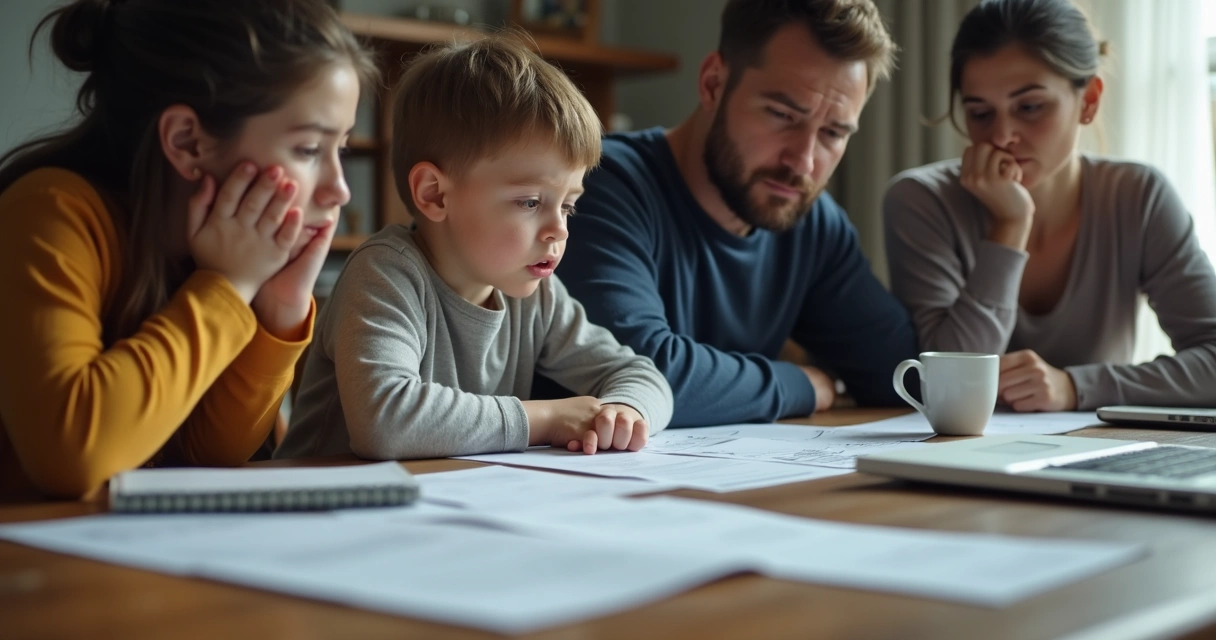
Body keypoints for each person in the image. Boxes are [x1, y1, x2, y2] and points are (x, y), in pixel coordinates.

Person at [0, 0, 376, 501]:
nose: (339, 189)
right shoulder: (49, 212)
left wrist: (277, 311)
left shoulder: (215, 248)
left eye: (342, 149)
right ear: (187, 142)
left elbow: (209, 456)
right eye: (309, 150)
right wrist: (226, 288)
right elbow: (75, 455)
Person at [275, 34, 674, 461]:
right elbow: (385, 423)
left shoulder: (536, 296)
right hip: (314, 509)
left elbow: (641, 375)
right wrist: (546, 418)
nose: (559, 229)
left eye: (569, 206)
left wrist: (625, 411)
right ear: (435, 195)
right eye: (530, 202)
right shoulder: (385, 273)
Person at [540, 0, 919, 427]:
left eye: (832, 133)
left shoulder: (810, 220)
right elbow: (632, 376)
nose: (804, 163)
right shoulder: (600, 185)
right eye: (782, 114)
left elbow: (902, 372)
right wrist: (797, 385)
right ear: (713, 83)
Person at [883, 0, 1216, 411]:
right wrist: (1010, 225)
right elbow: (947, 388)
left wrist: (1075, 387)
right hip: (959, 454)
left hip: (1097, 456)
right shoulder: (920, 201)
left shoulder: (1139, 196)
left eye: (1030, 107)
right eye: (980, 113)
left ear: (1089, 100)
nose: (1002, 135)